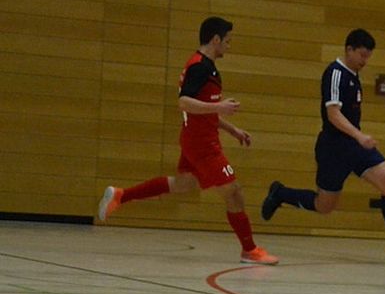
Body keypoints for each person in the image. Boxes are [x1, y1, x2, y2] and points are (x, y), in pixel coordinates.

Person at [97, 16, 279, 265]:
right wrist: (220, 107)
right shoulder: (200, 67)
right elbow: (184, 102)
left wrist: (231, 128)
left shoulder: (207, 66)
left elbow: (203, 110)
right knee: (234, 193)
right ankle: (249, 250)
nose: (229, 45)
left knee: (182, 184)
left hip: (196, 138)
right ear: (215, 39)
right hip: (203, 144)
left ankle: (121, 195)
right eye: (227, 41)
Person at [259, 29, 385, 259]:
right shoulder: (335, 73)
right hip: (334, 148)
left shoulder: (354, 74)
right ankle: (281, 193)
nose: (365, 61)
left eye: (368, 56)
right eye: (362, 55)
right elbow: (333, 115)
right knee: (324, 206)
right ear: (349, 49)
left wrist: (358, 140)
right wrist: (359, 136)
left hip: (355, 148)